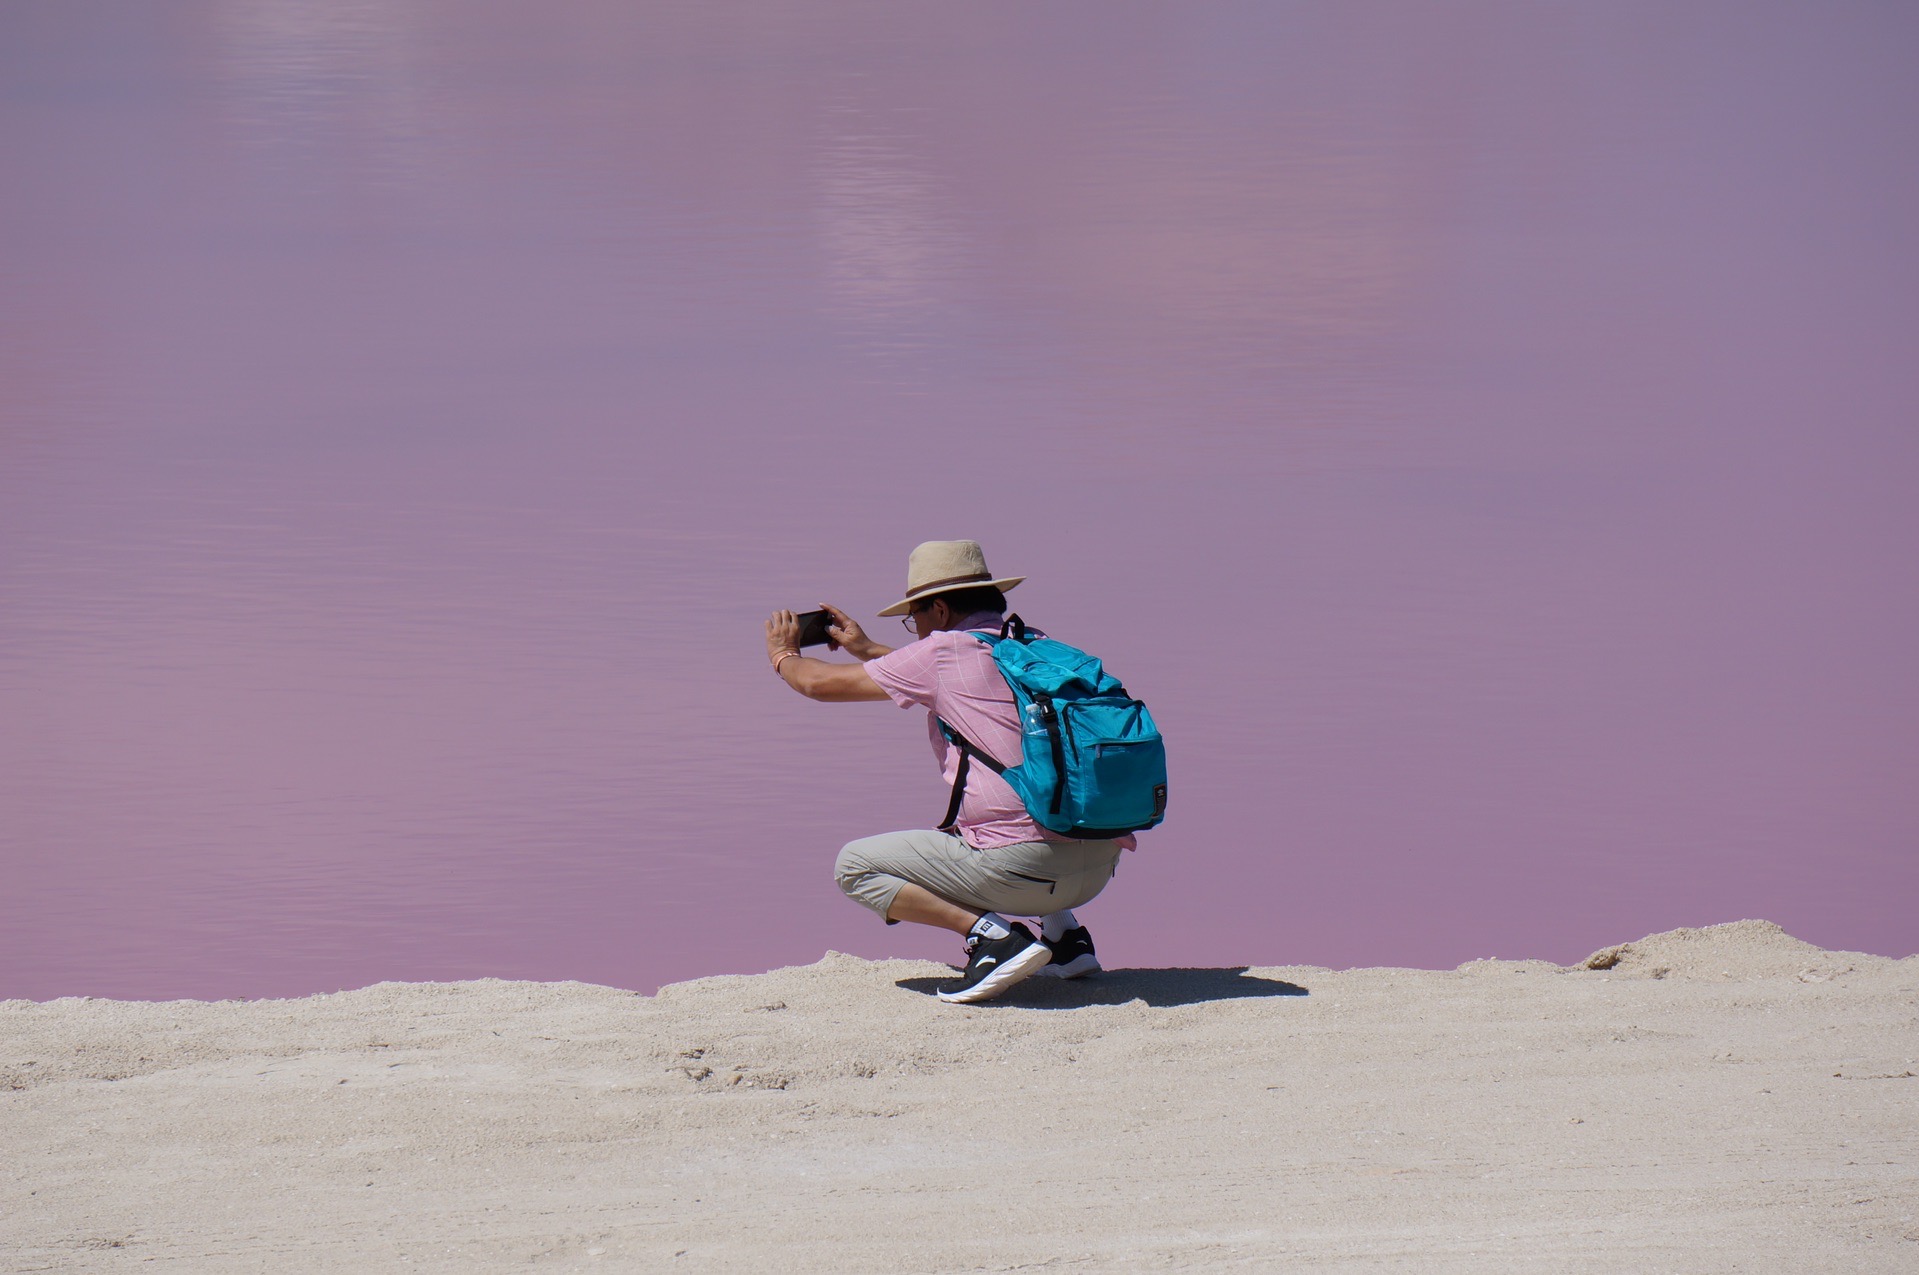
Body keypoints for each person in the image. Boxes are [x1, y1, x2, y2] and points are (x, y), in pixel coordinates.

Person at [763, 540, 1132, 1004]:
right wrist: (863, 648)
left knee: (854, 865)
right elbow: (940, 673)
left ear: (938, 609)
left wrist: (783, 655)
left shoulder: (941, 654)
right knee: (1009, 808)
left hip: (1022, 871)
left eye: (913, 617)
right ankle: (1065, 940)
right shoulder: (1032, 645)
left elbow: (817, 684)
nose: (914, 629)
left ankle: (994, 940)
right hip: (1097, 862)